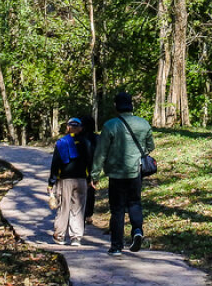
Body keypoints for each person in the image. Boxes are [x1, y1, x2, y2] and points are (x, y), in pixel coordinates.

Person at [91, 91, 154, 256]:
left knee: (117, 209)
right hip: (135, 172)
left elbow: (101, 152)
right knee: (134, 202)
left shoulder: (110, 125)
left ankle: (116, 246)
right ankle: (137, 230)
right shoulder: (143, 124)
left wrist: (95, 174)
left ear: (116, 106)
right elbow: (150, 146)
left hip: (116, 174)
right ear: (131, 104)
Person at [48, 117, 92, 246]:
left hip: (65, 180)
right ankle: (76, 237)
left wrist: (51, 182)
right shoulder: (86, 142)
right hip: (81, 180)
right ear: (80, 128)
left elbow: (55, 164)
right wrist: (90, 179)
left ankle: (60, 236)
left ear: (68, 127)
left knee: (63, 208)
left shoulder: (61, 142)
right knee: (78, 209)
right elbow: (90, 162)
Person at [80, 114, 99, 223]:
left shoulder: (77, 138)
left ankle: (80, 213)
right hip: (92, 168)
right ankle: (88, 215)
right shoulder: (97, 138)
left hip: (79, 168)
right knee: (90, 192)